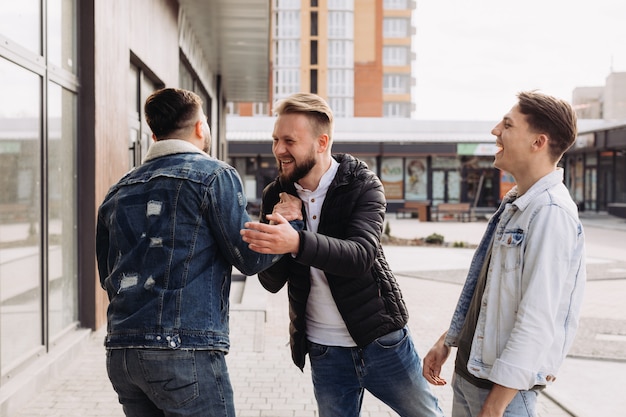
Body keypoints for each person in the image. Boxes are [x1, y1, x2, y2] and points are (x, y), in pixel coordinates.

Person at [96, 87, 302, 417]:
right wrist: (291, 228)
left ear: (153, 134)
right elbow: (248, 258)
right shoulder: (214, 175)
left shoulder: (117, 190)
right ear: (199, 127)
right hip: (183, 350)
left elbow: (110, 276)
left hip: (122, 353)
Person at [240, 92, 444, 417]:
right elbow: (271, 282)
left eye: (289, 140)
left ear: (321, 142)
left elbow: (360, 255)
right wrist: (285, 224)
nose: (279, 150)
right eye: (276, 139)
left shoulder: (363, 185)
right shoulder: (276, 194)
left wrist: (297, 239)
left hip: (382, 341)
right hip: (324, 351)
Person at [422, 91, 586, 417]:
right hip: (472, 376)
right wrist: (448, 339)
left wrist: (495, 406)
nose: (496, 130)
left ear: (538, 142)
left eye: (508, 125)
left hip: (502, 395)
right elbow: (486, 291)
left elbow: (538, 319)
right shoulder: (516, 203)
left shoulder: (550, 213)